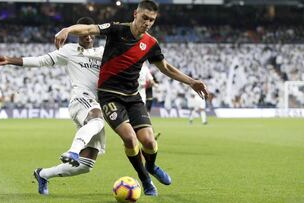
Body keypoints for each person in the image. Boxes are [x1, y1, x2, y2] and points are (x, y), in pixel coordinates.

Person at [54, 0, 209, 196]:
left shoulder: (151, 43)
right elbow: (89, 28)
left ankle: (151, 167)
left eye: (151, 20)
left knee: (150, 143)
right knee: (130, 138)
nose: (147, 23)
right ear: (135, 14)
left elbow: (166, 68)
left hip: (133, 97)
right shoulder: (116, 29)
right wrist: (67, 29)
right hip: (109, 96)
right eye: (145, 18)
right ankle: (145, 179)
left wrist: (191, 82)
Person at [0, 17, 106, 195]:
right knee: (97, 120)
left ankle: (42, 174)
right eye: (84, 33)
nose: (88, 37)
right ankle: (73, 151)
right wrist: (9, 60)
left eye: (90, 33)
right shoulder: (69, 50)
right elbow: (40, 60)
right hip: (81, 99)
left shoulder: (103, 52)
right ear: (77, 34)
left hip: (96, 104)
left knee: (86, 165)